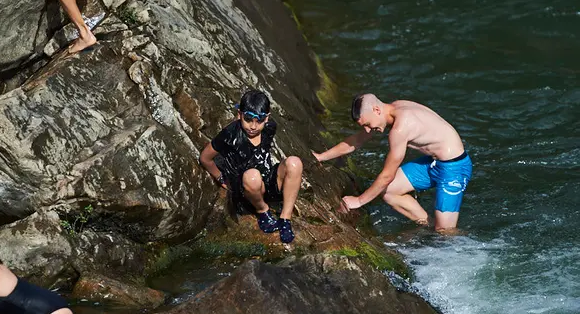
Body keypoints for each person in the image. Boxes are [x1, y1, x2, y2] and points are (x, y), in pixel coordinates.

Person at [312, 94, 472, 232]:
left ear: (376, 110)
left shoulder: (400, 128)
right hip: (433, 163)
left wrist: (358, 201)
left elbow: (387, 175)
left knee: (445, 233)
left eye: (368, 125)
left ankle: (461, 243)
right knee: (389, 192)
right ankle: (429, 225)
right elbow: (357, 140)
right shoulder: (392, 109)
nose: (368, 130)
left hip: (454, 168)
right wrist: (321, 157)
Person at [199, 89, 303, 243]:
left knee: (295, 162)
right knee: (252, 176)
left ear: (266, 118)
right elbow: (205, 158)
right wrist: (220, 177)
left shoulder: (269, 127)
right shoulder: (230, 135)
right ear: (239, 115)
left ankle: (285, 219)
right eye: (248, 119)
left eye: (259, 121)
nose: (253, 126)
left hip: (266, 181)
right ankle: (263, 210)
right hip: (247, 190)